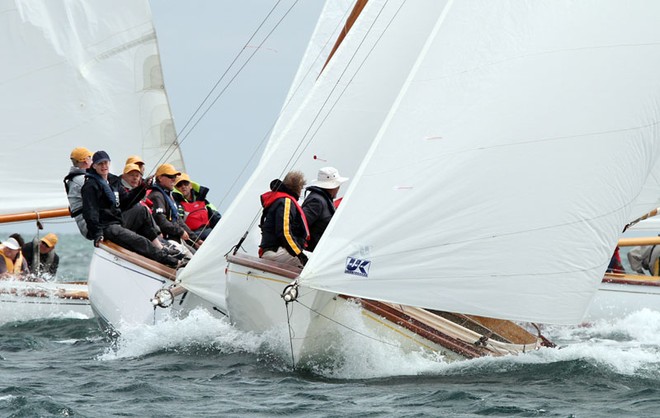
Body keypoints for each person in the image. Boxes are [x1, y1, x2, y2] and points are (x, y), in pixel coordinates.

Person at [81, 151, 179, 267]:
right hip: (106, 227)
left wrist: (143, 187)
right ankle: (171, 262)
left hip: (118, 221)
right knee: (140, 241)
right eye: (100, 164)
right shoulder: (90, 186)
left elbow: (126, 201)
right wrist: (98, 233)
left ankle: (161, 248)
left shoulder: (112, 182)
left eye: (105, 163)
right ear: (94, 166)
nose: (104, 166)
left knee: (142, 211)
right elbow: (90, 212)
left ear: (109, 164)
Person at [258, 170, 309, 268]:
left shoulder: (280, 200)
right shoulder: (286, 202)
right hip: (276, 251)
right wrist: (300, 255)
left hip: (272, 250)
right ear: (298, 188)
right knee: (315, 265)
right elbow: (284, 232)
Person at [150, 164, 203, 248]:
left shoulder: (168, 196)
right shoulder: (157, 196)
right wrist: (180, 232)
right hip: (166, 241)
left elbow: (178, 221)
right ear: (160, 178)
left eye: (174, 176)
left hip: (176, 239)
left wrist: (196, 240)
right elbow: (160, 220)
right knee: (189, 259)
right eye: (170, 176)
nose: (174, 179)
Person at [301, 167, 349, 252]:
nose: (339, 188)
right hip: (310, 252)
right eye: (338, 185)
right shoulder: (317, 201)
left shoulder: (322, 199)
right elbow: (300, 225)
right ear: (333, 186)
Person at [173, 173, 221, 240]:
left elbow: (216, 216)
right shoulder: (177, 205)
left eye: (185, 183)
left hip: (209, 232)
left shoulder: (203, 200)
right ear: (176, 188)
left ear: (190, 185)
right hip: (192, 237)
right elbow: (178, 222)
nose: (183, 186)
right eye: (179, 185)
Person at [64, 147, 93, 236]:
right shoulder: (82, 180)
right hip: (90, 227)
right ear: (86, 161)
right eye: (91, 158)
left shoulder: (75, 179)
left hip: (85, 225)